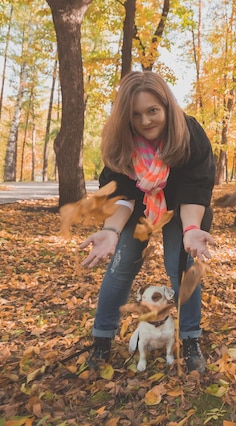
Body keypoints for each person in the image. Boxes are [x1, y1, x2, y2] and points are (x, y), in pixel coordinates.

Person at [79, 71, 216, 373]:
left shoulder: (190, 134)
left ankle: (191, 339)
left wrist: (191, 230)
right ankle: (101, 340)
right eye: (136, 114)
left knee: (182, 269)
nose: (145, 121)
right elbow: (121, 193)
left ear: (166, 106)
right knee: (121, 264)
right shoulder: (122, 142)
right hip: (138, 207)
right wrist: (111, 230)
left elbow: (196, 189)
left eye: (153, 111)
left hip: (182, 206)